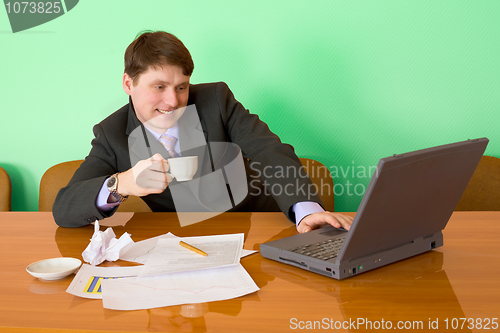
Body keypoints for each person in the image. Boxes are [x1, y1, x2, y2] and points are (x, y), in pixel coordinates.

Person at [53, 31, 352, 232]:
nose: (173, 101)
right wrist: (122, 183)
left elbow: (269, 150)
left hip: (256, 230)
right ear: (129, 84)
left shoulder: (216, 100)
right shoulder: (112, 133)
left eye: (181, 87)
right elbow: (65, 208)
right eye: (159, 87)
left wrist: (306, 210)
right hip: (181, 245)